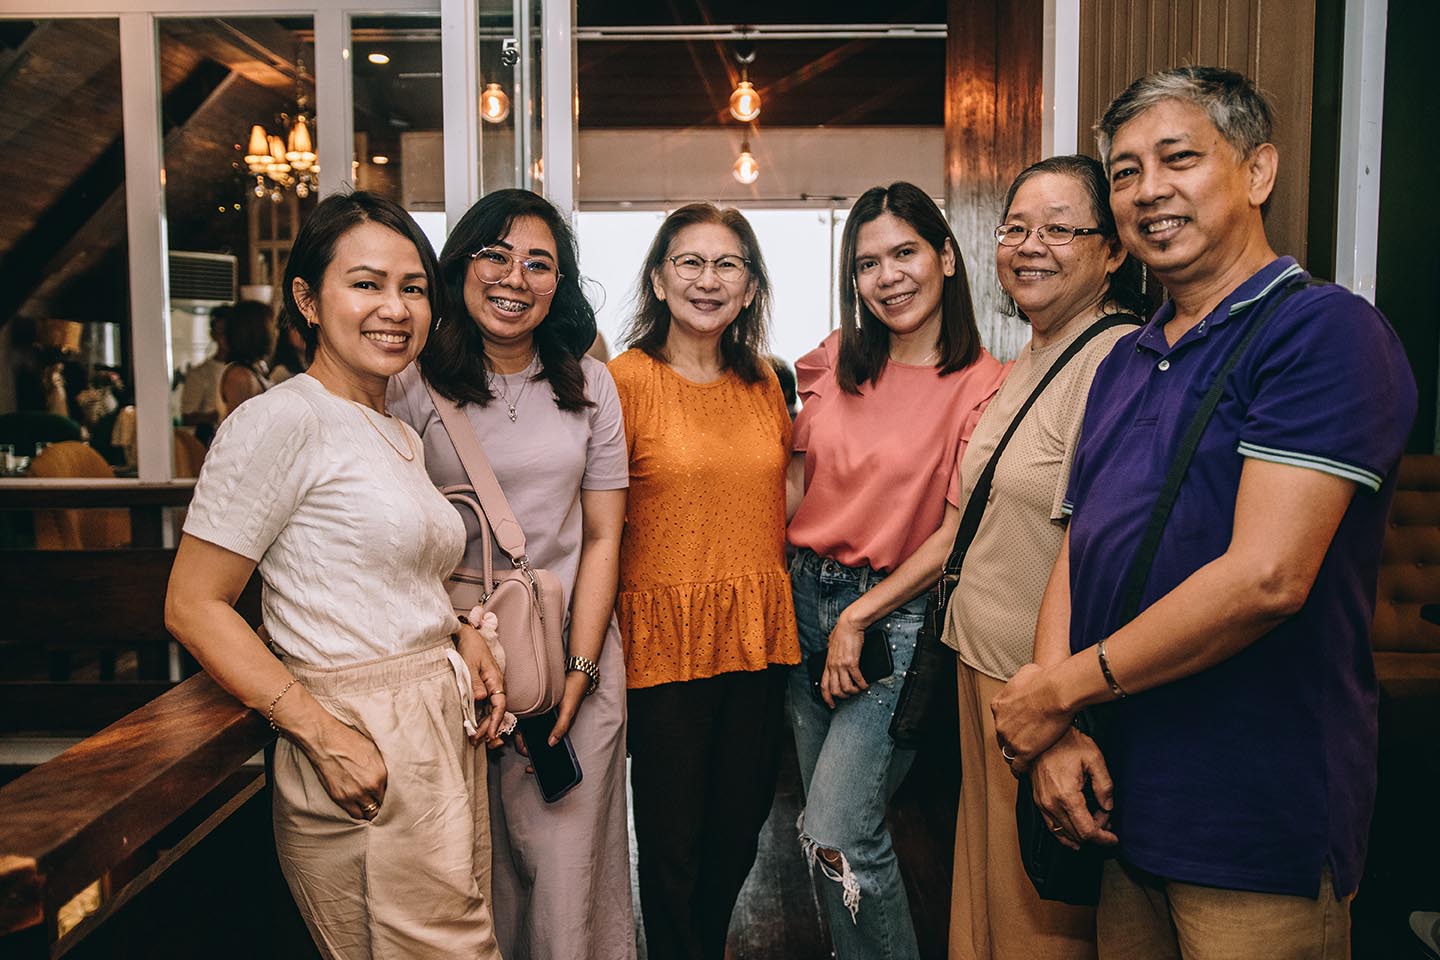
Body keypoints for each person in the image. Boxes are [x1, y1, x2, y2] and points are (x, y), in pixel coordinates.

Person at [991, 66, 1417, 960]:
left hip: (1252, 817)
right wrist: (1058, 728)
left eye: (1178, 158)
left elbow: (1267, 577)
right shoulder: (1126, 356)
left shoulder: (1322, 332)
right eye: (1125, 172)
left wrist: (1055, 693)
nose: (1148, 190)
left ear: (1258, 172)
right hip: (1121, 801)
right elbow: (1078, 543)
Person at [164, 191, 507, 959]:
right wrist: (323, 736)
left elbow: (370, 576)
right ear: (307, 299)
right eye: (366, 283)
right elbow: (193, 604)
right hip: (364, 736)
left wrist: (459, 633)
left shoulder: (392, 430)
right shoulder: (281, 419)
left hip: (436, 733)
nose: (395, 308)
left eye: (413, 287)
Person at [388, 188, 635, 960]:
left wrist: (582, 671)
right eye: (495, 255)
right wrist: (460, 650)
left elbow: (604, 536)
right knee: (467, 872)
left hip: (569, 658)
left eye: (539, 264)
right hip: (449, 665)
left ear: (559, 285)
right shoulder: (409, 384)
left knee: (568, 878)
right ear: (459, 266)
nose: (514, 278)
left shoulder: (590, 385)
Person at [785, 181, 1005, 959]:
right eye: (867, 263)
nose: (887, 277)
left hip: (894, 621)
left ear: (945, 256)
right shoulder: (834, 359)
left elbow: (952, 535)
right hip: (801, 599)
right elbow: (796, 481)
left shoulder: (984, 384)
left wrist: (858, 615)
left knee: (837, 829)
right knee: (823, 840)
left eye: (904, 253)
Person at [944, 155, 1144, 960]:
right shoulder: (1030, 352)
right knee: (986, 905)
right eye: (1016, 228)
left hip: (1039, 689)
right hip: (983, 667)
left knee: (1036, 926)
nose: (1031, 246)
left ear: (1114, 250)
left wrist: (1056, 712)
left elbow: (1098, 547)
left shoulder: (1115, 360)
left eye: (1060, 229)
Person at [609, 203, 799, 960]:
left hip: (756, 635)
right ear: (659, 280)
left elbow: (781, 494)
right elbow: (597, 523)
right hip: (664, 642)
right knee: (672, 845)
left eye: (727, 265)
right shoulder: (624, 382)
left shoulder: (765, 382)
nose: (708, 280)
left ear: (749, 287)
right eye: (689, 262)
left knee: (739, 829)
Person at [215, 299, 276, 422]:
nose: (276, 333)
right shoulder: (240, 376)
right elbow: (240, 426)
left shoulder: (256, 368)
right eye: (272, 327)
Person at [181, 308, 227, 443]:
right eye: (221, 333)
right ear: (213, 335)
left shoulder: (248, 369)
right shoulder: (200, 374)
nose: (226, 338)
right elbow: (187, 416)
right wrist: (219, 415)